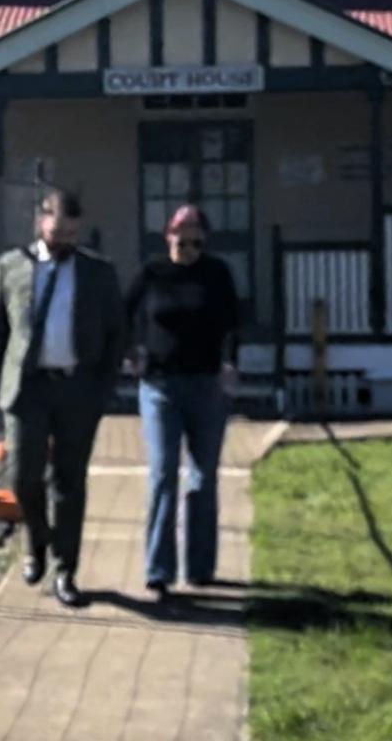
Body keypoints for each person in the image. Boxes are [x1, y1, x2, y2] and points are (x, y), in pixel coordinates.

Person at [0, 188, 124, 607]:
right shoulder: (11, 266)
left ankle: (65, 571)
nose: (65, 241)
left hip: (78, 388)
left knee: (69, 482)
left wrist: (102, 388)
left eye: (73, 233)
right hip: (26, 389)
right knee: (24, 477)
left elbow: (117, 332)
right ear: (42, 223)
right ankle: (36, 542)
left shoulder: (98, 271)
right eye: (59, 231)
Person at [125, 204, 240, 600]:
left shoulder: (217, 274)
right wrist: (131, 352)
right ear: (167, 236)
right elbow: (123, 314)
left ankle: (201, 568)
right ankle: (158, 571)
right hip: (160, 387)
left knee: (204, 477)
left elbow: (232, 322)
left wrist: (229, 363)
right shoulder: (152, 273)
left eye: (197, 241)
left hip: (207, 386)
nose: (189, 247)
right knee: (162, 475)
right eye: (182, 239)